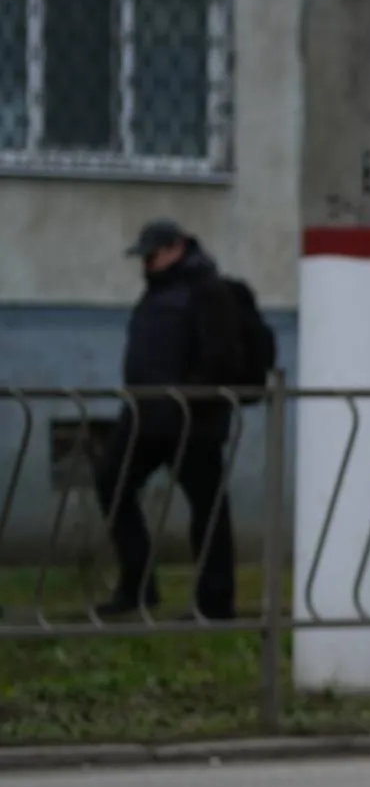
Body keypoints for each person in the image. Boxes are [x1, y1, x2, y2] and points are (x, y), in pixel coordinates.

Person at [95, 220, 249, 619]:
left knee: (208, 509)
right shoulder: (157, 290)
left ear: (176, 248)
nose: (145, 264)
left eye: (152, 255)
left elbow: (222, 357)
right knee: (112, 483)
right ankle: (137, 586)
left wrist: (186, 397)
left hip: (191, 420)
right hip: (145, 415)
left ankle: (215, 602)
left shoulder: (208, 290)